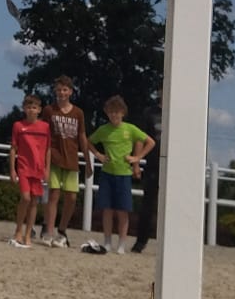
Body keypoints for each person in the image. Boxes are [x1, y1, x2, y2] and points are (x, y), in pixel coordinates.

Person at [83, 96, 154, 254]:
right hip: (107, 174)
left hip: (124, 175)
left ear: (123, 113)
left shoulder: (130, 129)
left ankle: (122, 243)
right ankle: (107, 241)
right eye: (111, 112)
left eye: (116, 112)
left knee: (123, 210)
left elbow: (150, 142)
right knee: (107, 209)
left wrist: (137, 158)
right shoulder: (103, 130)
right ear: (106, 113)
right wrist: (98, 155)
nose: (114, 115)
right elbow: (88, 141)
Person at [38, 76, 92, 249]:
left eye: (65, 90)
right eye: (59, 89)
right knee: (54, 194)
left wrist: (88, 161)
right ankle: (49, 231)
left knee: (71, 196)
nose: (62, 93)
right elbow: (43, 134)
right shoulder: (49, 110)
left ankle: (62, 230)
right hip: (54, 157)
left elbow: (82, 136)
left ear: (70, 92)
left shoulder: (78, 113)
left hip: (71, 159)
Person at [8, 93, 51, 248]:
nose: (31, 110)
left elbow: (48, 149)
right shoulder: (18, 126)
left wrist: (47, 169)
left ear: (39, 110)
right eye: (28, 107)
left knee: (34, 202)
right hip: (23, 166)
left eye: (34, 107)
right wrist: (12, 169)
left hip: (38, 168)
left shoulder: (45, 127)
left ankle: (28, 234)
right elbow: (13, 148)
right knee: (25, 198)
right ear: (24, 109)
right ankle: (18, 230)